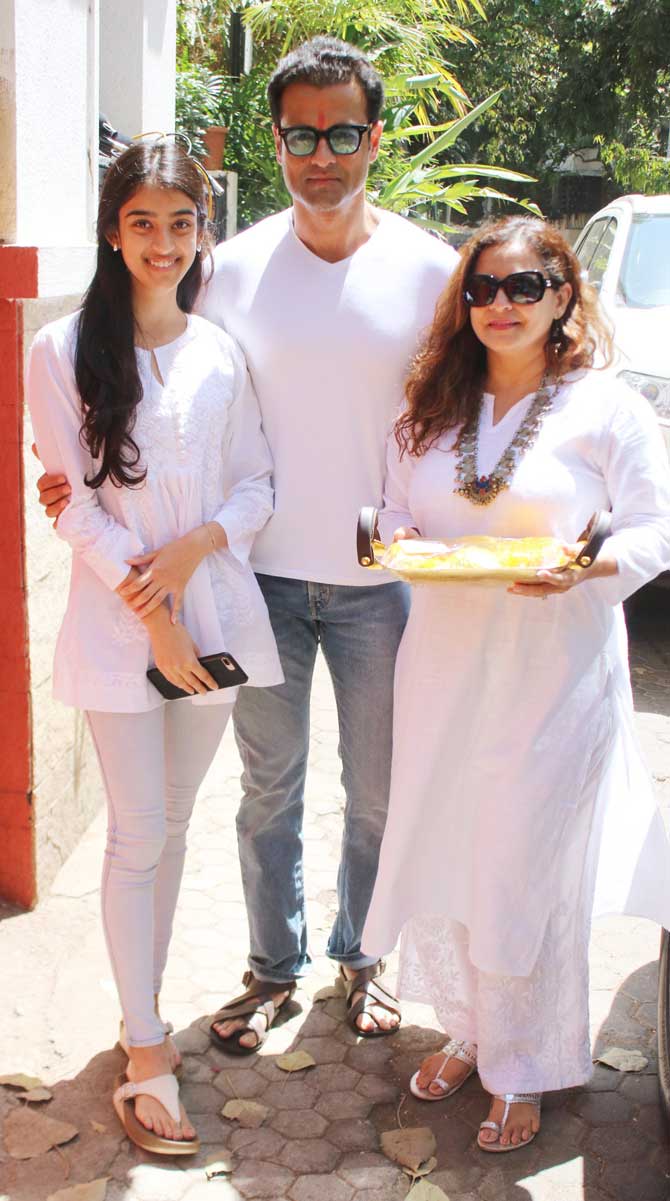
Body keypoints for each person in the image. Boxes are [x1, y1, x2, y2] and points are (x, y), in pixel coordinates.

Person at [37, 38, 459, 1049]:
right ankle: (274, 967)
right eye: (303, 134)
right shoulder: (225, 272)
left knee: (376, 793)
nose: (324, 154)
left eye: (344, 132)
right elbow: (158, 386)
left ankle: (364, 962)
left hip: (381, 589)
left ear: (374, 137)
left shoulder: (434, 271)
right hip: (255, 581)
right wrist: (72, 486)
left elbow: (467, 417)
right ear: (275, 143)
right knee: (265, 793)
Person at [361, 215, 670, 1151]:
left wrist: (589, 567)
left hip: (556, 677)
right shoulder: (430, 408)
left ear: (563, 294)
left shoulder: (605, 407)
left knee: (526, 864)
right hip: (446, 671)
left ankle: (528, 1060)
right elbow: (397, 511)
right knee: (456, 845)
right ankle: (474, 1028)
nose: (502, 304)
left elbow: (654, 528)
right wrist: (399, 541)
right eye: (484, 288)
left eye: (524, 286)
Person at [26, 138, 282, 1154]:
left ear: (202, 230)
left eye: (182, 222)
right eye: (143, 222)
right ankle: (143, 1050)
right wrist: (155, 611)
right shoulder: (60, 352)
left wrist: (194, 553)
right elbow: (74, 507)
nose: (164, 242)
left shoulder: (220, 352)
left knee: (173, 824)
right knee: (138, 832)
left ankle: (148, 1004)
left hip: (212, 616)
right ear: (111, 229)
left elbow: (258, 484)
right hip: (123, 625)